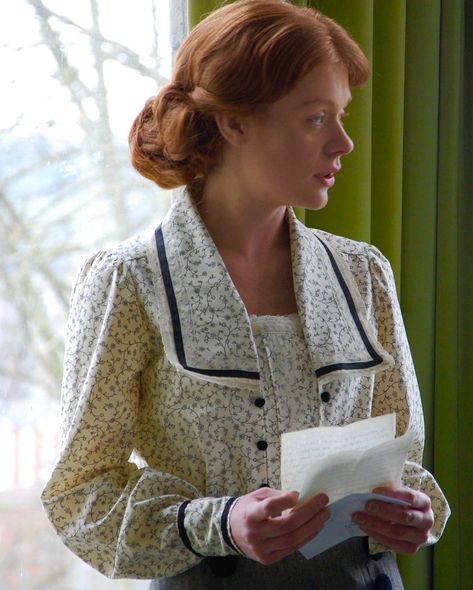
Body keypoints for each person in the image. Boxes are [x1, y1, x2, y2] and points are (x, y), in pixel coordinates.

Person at [41, 1, 450, 588]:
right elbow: (82, 494)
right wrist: (221, 522)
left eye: (341, 116)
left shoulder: (363, 273)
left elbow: (404, 457)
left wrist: (412, 513)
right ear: (235, 124)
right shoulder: (129, 282)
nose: (344, 143)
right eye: (315, 118)